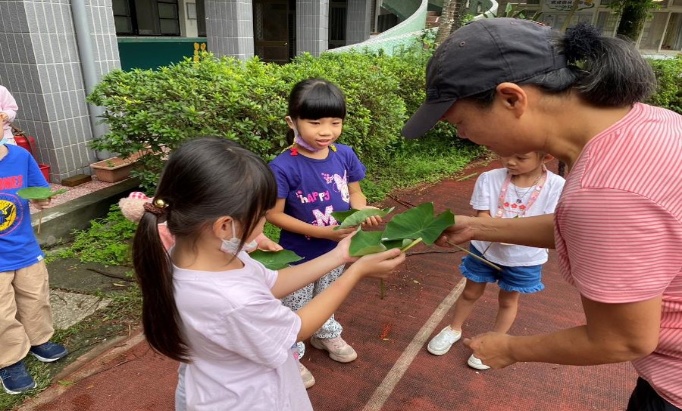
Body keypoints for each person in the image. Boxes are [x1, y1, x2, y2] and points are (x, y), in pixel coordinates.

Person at [403, 18, 681, 410]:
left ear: (512, 99)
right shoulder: (650, 123)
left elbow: (624, 339)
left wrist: (512, 348)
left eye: (461, 123)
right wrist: (480, 225)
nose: (464, 137)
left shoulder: (605, 191)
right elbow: (599, 231)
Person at [133, 137, 405, 410]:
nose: (265, 221)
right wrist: (354, 273)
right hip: (248, 400)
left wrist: (340, 256)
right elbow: (296, 329)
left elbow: (271, 282)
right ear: (224, 226)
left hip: (216, 388)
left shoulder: (200, 254)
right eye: (262, 214)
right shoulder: (232, 300)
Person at [266, 78, 382, 388]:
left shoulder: (343, 154)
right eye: (315, 122)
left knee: (328, 294)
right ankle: (290, 352)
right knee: (294, 306)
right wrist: (320, 233)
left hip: (337, 249)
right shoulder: (282, 166)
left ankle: (325, 331)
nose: (326, 130)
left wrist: (362, 211)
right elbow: (273, 214)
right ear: (293, 121)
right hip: (298, 256)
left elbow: (356, 193)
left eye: (335, 121)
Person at [427, 152, 564, 370]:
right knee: (470, 292)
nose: (510, 160)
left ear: (545, 157)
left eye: (521, 157)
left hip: (524, 258)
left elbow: (547, 226)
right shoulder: (490, 178)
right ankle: (453, 329)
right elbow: (482, 216)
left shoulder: (558, 186)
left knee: (508, 300)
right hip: (484, 250)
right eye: (505, 153)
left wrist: (509, 234)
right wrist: (503, 233)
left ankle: (495, 342)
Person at [0, 142, 68, 394]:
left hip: (25, 247)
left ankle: (39, 340)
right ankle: (9, 359)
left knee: (35, 296)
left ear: (3, 121)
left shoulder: (20, 156)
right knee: (1, 312)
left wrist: (43, 200)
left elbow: (39, 190)